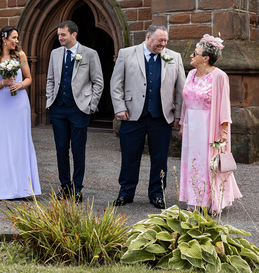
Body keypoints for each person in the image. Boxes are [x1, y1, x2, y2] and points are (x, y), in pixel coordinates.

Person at [111, 24, 186, 209]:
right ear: (147, 37)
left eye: (166, 41)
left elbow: (181, 89)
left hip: (162, 117)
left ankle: (157, 194)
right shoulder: (126, 54)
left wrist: (178, 115)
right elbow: (116, 84)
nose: (163, 44)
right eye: (160, 40)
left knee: (160, 158)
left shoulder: (174, 57)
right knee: (129, 156)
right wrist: (119, 107)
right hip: (132, 115)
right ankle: (125, 193)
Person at [179, 34, 241, 213]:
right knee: (193, 161)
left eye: (195, 53)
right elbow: (186, 101)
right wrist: (183, 124)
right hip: (192, 125)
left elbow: (224, 104)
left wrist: (223, 130)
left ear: (205, 58)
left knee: (209, 161)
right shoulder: (190, 74)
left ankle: (212, 199)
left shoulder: (219, 76)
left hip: (209, 125)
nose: (191, 56)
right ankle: (194, 198)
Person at [46, 21, 104, 202]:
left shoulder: (89, 54)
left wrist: (91, 105)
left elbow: (98, 82)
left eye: (63, 35)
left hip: (79, 109)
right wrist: (50, 100)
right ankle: (65, 187)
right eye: (58, 35)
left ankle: (78, 187)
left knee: (78, 150)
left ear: (74, 34)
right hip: (58, 109)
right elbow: (50, 79)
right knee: (61, 149)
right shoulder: (55, 53)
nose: (60, 38)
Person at [0, 26, 41, 200]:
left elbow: (28, 78)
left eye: (17, 38)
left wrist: (19, 85)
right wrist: (4, 83)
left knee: (20, 142)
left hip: (19, 103)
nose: (16, 41)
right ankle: (2, 188)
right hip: (1, 104)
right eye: (14, 38)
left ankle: (23, 188)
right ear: (4, 38)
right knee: (2, 142)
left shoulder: (21, 57)